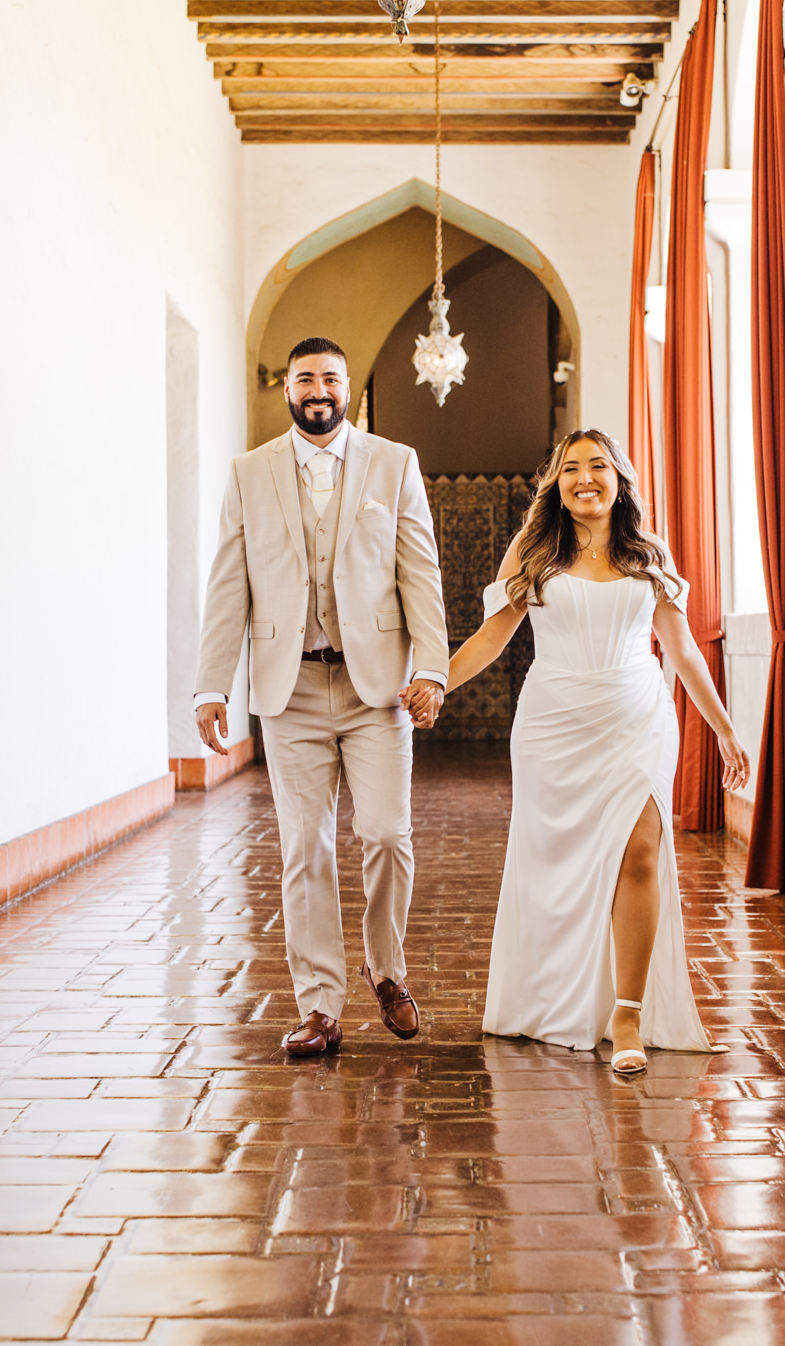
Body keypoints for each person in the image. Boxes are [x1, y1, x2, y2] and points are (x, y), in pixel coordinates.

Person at [428, 428, 749, 1075]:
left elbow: (682, 652)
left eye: (597, 466)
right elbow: (493, 639)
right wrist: (434, 683)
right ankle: (553, 996)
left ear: (618, 478)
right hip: (553, 726)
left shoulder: (647, 555)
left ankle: (627, 1013)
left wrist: (723, 728)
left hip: (638, 717)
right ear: (558, 484)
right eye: (570, 468)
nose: (584, 478)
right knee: (556, 869)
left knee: (640, 851)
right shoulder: (535, 551)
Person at [194, 337, 450, 1058]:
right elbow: (228, 584)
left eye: (331, 378)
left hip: (376, 690)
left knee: (387, 835)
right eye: (305, 377)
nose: (318, 388)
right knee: (304, 848)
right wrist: (213, 683)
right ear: (286, 389)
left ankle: (387, 970)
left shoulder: (394, 464)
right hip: (290, 687)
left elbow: (419, 574)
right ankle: (319, 1005)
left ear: (347, 388)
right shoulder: (249, 473)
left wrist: (431, 668)